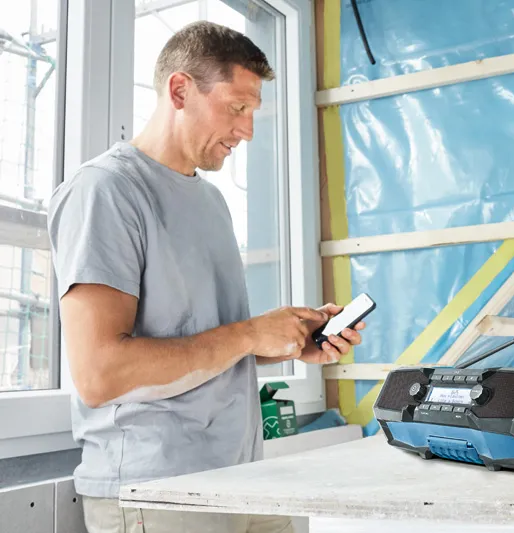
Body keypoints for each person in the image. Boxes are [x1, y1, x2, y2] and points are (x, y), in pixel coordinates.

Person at [47, 20, 363, 533]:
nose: (248, 130)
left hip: (245, 477)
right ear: (179, 91)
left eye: (253, 112)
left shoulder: (212, 201)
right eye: (237, 108)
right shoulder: (106, 191)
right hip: (160, 493)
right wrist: (250, 334)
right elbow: (101, 373)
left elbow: (201, 340)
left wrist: (283, 342)